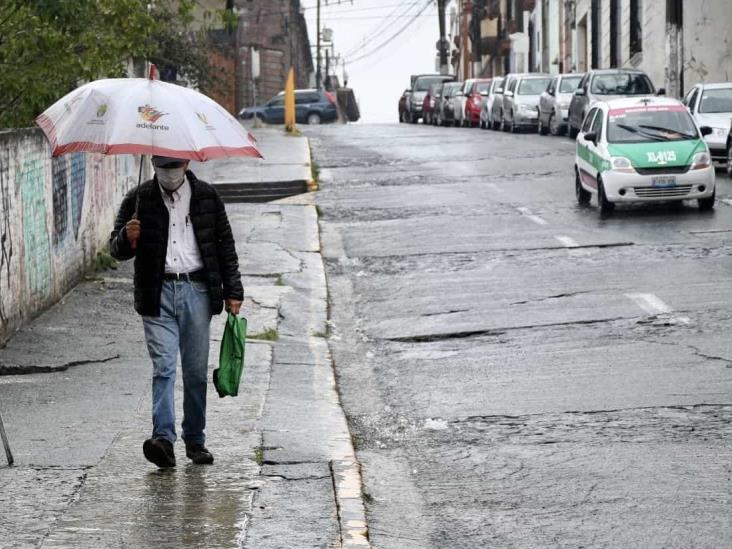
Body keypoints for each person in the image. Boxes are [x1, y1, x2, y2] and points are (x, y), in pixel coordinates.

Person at [110, 156, 243, 468]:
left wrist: (234, 290)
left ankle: (195, 441)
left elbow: (225, 246)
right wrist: (127, 238)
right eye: (162, 167)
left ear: (186, 165)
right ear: (154, 165)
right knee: (164, 367)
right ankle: (163, 440)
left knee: (195, 372)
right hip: (156, 293)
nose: (168, 173)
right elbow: (115, 250)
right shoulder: (138, 199)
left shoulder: (208, 197)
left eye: (174, 166)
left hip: (196, 290)